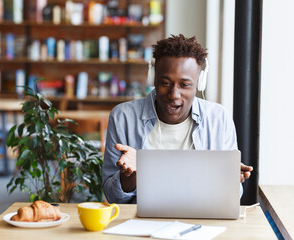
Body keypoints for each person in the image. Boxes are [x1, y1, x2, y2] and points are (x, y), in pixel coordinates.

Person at [102, 34, 253, 204]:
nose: (174, 95)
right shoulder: (123, 118)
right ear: (153, 78)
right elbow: (112, 195)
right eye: (165, 83)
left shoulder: (218, 118)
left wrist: (230, 181)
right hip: (141, 220)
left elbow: (233, 194)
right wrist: (129, 176)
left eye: (185, 85)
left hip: (202, 218)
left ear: (199, 83)